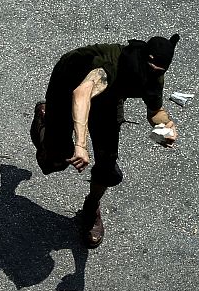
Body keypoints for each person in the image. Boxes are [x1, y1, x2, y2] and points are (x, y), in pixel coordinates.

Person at [30, 35, 180, 247]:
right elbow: (81, 95)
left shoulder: (155, 75)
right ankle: (43, 122)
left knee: (107, 165)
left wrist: (165, 126)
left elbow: (155, 111)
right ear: (144, 56)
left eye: (160, 70)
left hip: (108, 100)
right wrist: (81, 145)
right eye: (151, 66)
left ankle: (91, 208)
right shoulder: (111, 65)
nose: (154, 73)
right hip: (69, 85)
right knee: (56, 158)